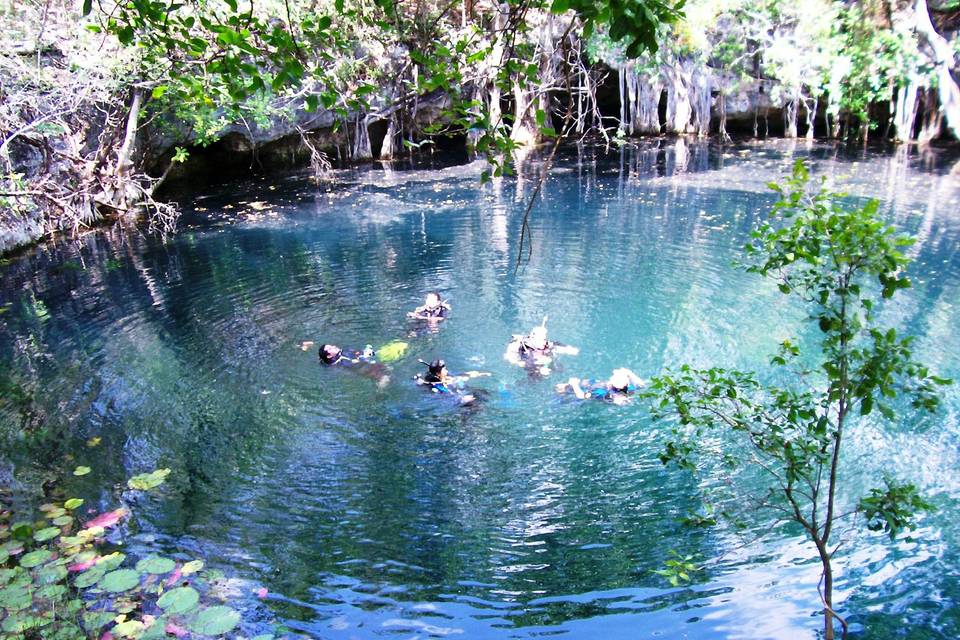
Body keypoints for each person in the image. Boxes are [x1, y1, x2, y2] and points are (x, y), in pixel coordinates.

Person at [504, 319, 579, 375]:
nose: (543, 342)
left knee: (560, 370)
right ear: (532, 337)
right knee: (536, 378)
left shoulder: (546, 343)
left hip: (545, 361)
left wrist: (568, 350)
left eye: (544, 338)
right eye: (540, 339)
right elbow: (510, 358)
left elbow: (556, 347)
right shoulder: (522, 346)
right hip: (531, 365)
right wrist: (538, 367)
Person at [414, 359, 490, 405]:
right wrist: (461, 399)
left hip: (462, 391)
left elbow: (462, 375)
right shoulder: (437, 385)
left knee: (483, 392)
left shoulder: (446, 375)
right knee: (471, 403)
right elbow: (449, 395)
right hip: (457, 400)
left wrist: (480, 374)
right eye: (444, 369)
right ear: (438, 373)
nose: (446, 370)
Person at [555, 368, 646, 405]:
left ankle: (563, 390)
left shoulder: (600, 391)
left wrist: (574, 384)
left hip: (586, 394)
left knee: (562, 391)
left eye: (613, 377)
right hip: (610, 393)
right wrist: (630, 373)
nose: (611, 376)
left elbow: (581, 396)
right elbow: (642, 385)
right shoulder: (629, 388)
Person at [318, 343, 388, 386]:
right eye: (330, 348)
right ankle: (380, 392)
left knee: (387, 369)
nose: (334, 346)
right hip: (365, 369)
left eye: (332, 345)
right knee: (385, 378)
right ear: (329, 356)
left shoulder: (333, 360)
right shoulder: (341, 359)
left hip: (364, 369)